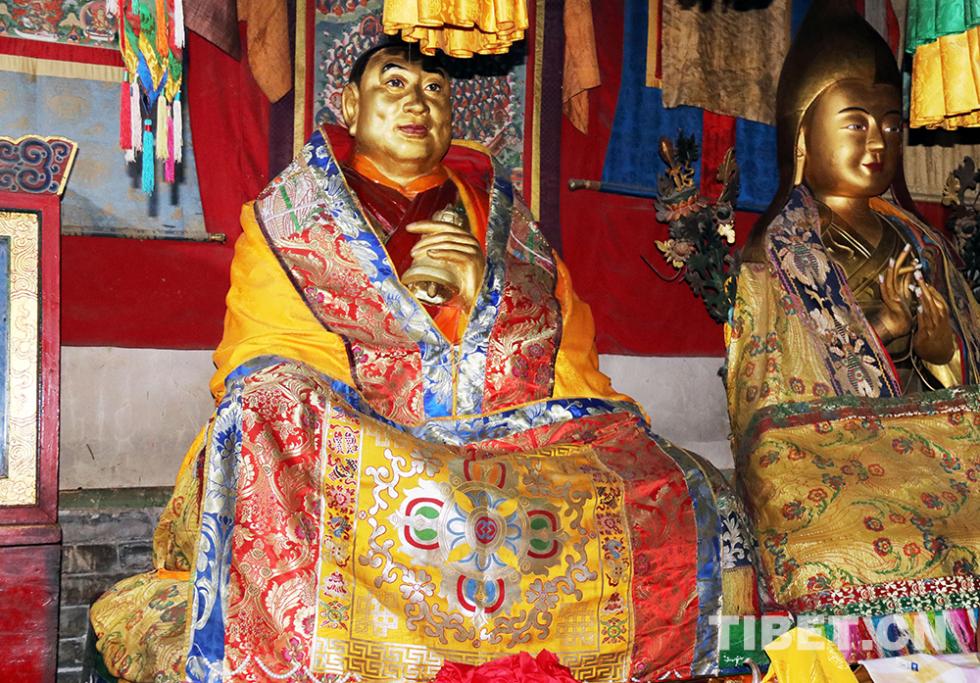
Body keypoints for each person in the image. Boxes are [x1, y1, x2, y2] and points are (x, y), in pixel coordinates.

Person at [90, 42, 757, 682]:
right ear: (351, 106)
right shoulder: (291, 217)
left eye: (435, 89)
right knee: (267, 407)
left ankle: (734, 653)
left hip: (506, 452)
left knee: (690, 485)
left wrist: (486, 292)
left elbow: (565, 361)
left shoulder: (503, 221)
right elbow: (268, 359)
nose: (419, 101)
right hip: (361, 463)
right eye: (395, 84)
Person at [727, 0, 980, 663]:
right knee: (834, 536)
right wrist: (880, 329)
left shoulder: (923, 242)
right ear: (802, 136)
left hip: (936, 448)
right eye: (856, 123)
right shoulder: (777, 255)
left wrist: (941, 356)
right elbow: (765, 398)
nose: (878, 143)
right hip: (833, 460)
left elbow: (963, 373)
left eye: (892, 125)